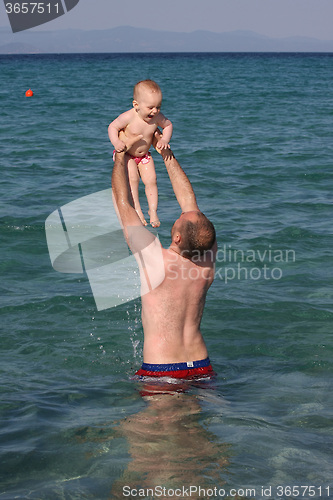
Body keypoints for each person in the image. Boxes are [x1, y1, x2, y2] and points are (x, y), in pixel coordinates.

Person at [111, 131, 217, 380]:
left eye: (181, 218)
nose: (182, 213)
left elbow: (122, 203)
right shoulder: (205, 261)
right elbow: (190, 203)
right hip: (201, 367)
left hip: (162, 371)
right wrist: (165, 153)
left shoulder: (153, 259)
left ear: (178, 238)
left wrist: (119, 159)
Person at [108, 80, 173, 228]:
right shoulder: (129, 117)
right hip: (127, 155)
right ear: (136, 105)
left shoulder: (157, 117)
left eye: (158, 107)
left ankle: (153, 210)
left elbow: (168, 125)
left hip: (144, 155)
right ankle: (137, 209)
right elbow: (112, 126)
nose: (155, 111)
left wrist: (165, 139)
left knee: (151, 180)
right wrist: (116, 143)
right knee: (133, 180)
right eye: (150, 107)